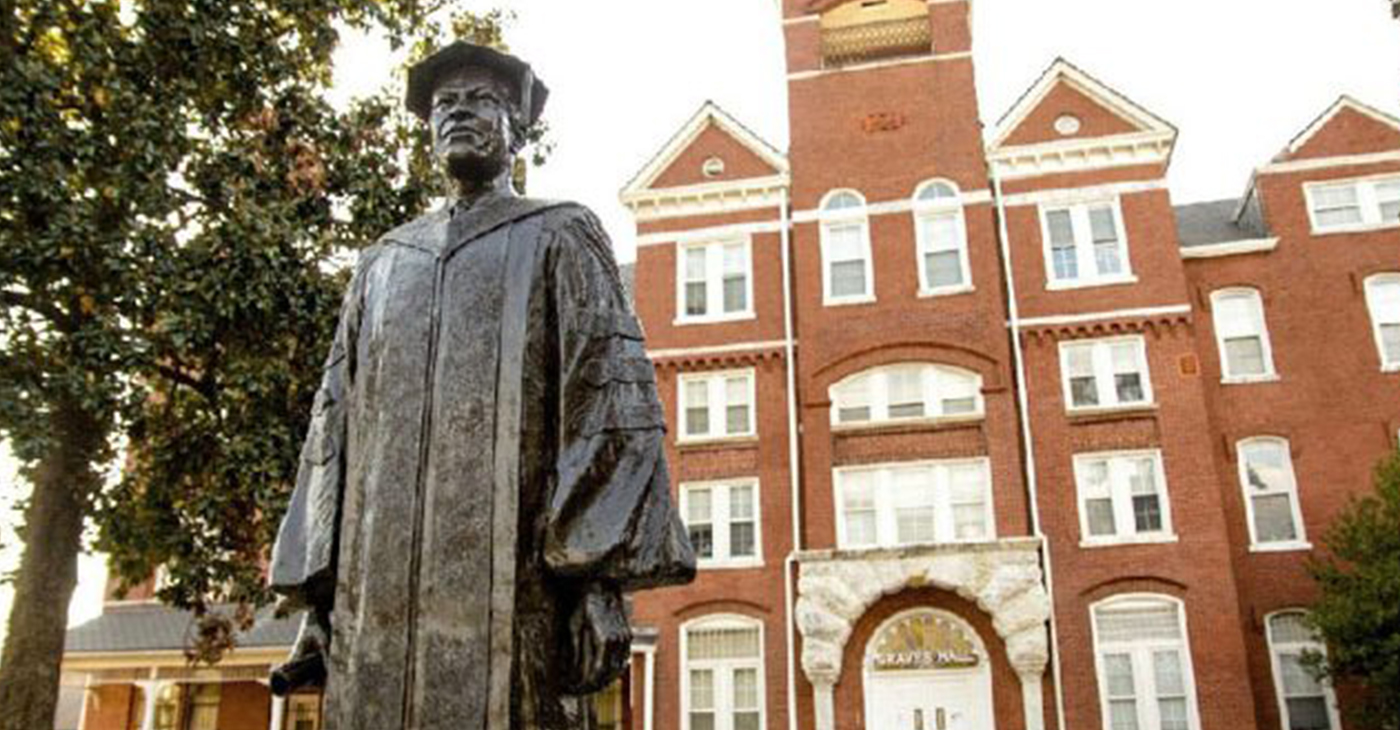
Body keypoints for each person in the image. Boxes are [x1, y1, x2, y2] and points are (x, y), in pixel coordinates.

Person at [266, 41, 695, 730]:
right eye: (444, 105)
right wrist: (321, 593)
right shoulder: (381, 266)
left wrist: (596, 579)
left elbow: (606, 404)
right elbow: (333, 425)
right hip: (376, 602)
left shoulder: (559, 234)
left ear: (518, 127)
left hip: (516, 596)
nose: (458, 113)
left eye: (480, 100)